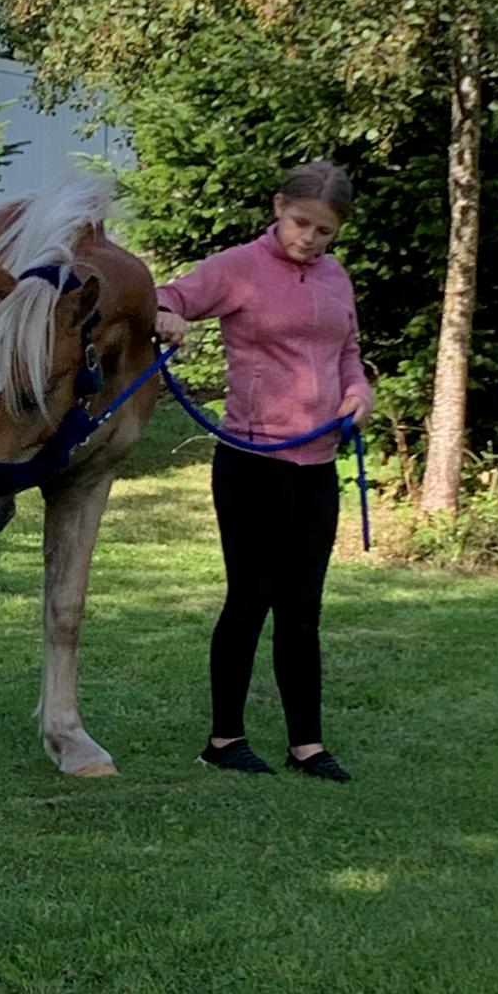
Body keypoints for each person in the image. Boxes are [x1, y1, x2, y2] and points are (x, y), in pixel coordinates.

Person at [154, 161, 372, 782]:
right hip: (253, 462)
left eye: (324, 232)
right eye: (302, 223)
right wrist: (166, 317)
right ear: (280, 207)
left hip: (318, 463)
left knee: (303, 606)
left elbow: (349, 355)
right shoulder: (238, 267)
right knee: (250, 599)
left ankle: (307, 745)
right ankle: (224, 740)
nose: (310, 239)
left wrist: (358, 395)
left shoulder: (336, 279)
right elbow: (169, 296)